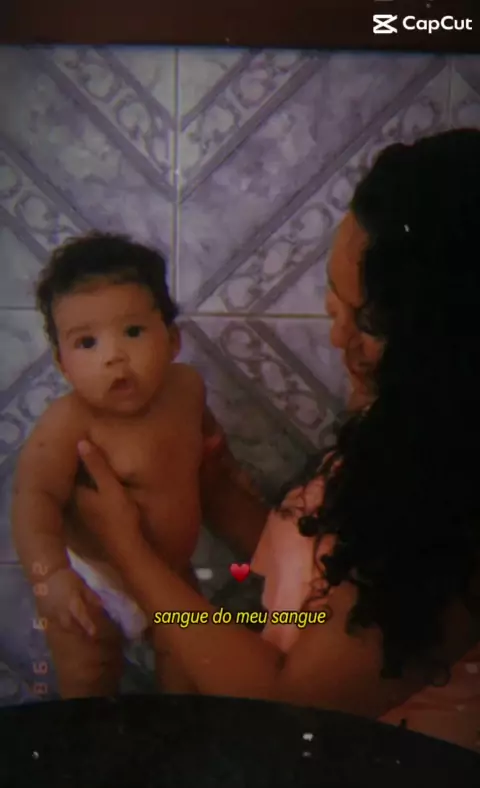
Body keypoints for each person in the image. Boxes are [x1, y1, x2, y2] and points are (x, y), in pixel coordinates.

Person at [72, 130, 480, 751]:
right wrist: (219, 494)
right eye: (334, 302)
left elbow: (291, 698)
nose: (337, 337)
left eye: (367, 320)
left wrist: (131, 554)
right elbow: (333, 585)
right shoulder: (411, 426)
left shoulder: (460, 508)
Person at [11, 233, 268, 699]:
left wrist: (229, 470)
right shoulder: (67, 424)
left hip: (170, 572)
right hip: (94, 582)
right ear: (63, 365)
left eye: (132, 331)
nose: (114, 355)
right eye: (87, 342)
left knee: (187, 673)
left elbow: (207, 445)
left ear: (171, 340)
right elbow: (34, 499)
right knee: (88, 680)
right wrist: (51, 576)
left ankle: (177, 739)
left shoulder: (187, 389)